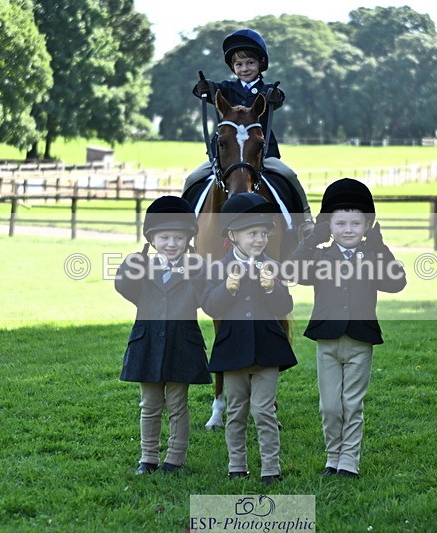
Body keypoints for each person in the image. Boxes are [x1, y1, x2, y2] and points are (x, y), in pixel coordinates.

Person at [287, 178, 407, 478]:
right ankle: (333, 456)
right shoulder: (319, 256)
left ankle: (348, 461)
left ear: (367, 225)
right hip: (327, 341)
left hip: (360, 341)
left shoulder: (372, 256)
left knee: (351, 404)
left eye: (356, 223)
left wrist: (381, 249)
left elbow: (396, 282)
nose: (349, 230)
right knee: (330, 406)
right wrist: (310, 240)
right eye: (340, 223)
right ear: (329, 226)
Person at [201, 192, 298, 486]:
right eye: (251, 233)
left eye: (263, 233)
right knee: (236, 412)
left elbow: (285, 307)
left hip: (267, 351)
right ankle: (236, 465)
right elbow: (209, 306)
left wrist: (273, 289)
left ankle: (271, 468)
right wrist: (226, 289)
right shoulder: (218, 267)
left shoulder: (273, 265)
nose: (259, 239)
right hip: (233, 352)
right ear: (232, 234)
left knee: (264, 411)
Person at [115, 195, 211, 475]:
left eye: (178, 238)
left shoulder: (198, 267)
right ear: (152, 240)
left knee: (178, 404)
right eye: (165, 238)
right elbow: (124, 288)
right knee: (150, 404)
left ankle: (175, 459)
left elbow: (206, 299)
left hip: (183, 343)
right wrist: (130, 265)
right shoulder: (141, 267)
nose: (171, 244)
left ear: (188, 240)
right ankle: (148, 458)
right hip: (147, 344)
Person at [185, 28, 313, 235]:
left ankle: (306, 221)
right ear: (233, 67)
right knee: (192, 179)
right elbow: (207, 92)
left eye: (250, 63)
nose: (245, 68)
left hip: (261, 154)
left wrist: (275, 96)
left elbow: (277, 97)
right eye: (239, 64)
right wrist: (201, 88)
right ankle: (183, 226)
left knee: (289, 175)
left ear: (261, 64)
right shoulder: (225, 89)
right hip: (225, 155)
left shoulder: (267, 90)